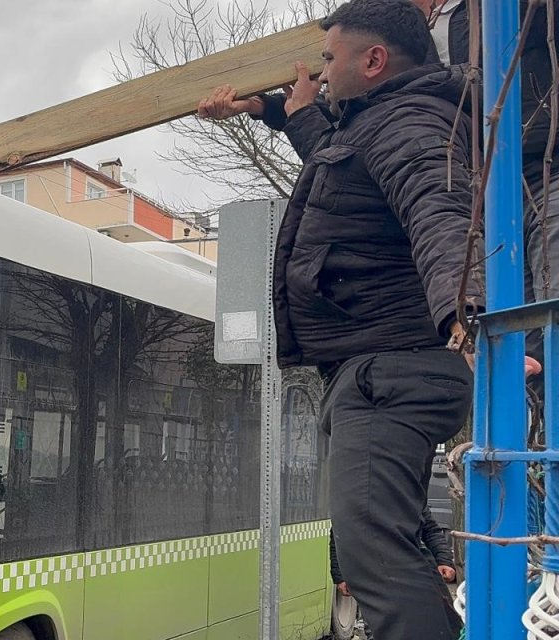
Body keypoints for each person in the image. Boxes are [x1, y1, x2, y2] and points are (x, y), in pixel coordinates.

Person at [196, 0, 477, 637]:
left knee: (372, 556)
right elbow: (336, 157)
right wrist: (269, 110)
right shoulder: (379, 119)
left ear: (373, 61)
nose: (317, 76)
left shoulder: (404, 125)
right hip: (386, 364)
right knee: (379, 545)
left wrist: (468, 319)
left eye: (328, 60)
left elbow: (440, 213)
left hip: (393, 366)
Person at [415, 0, 559, 389]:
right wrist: (277, 110)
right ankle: (534, 424)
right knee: (523, 334)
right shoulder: (422, 25)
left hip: (548, 163)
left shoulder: (494, 10)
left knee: (553, 309)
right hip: (486, 187)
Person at [330, 506, 457, 639]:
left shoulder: (409, 494)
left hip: (411, 575)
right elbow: (339, 535)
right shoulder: (359, 497)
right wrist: (340, 575)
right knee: (380, 630)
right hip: (372, 578)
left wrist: (444, 560)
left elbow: (430, 530)